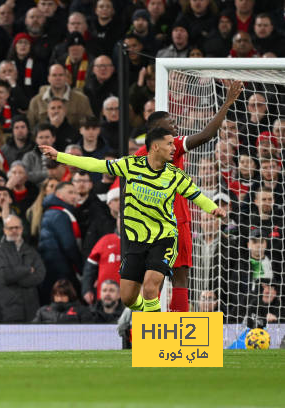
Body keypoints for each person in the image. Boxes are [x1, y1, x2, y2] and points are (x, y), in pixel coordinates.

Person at [39, 127, 225, 313]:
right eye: (169, 144)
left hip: (164, 238)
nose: (173, 148)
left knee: (151, 286)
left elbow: (196, 195)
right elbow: (95, 165)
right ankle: (149, 314)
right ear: (155, 147)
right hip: (137, 241)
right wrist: (60, 156)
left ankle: (155, 329)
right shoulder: (130, 165)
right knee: (128, 298)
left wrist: (213, 208)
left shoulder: (175, 175)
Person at [130, 80, 243, 312]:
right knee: (179, 278)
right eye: (170, 124)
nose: (176, 127)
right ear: (156, 131)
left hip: (149, 225)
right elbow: (206, 135)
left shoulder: (139, 156)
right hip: (176, 220)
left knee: (153, 281)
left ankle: (148, 331)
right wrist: (227, 103)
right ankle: (175, 329)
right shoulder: (174, 146)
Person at [0, 215, 45, 323]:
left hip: (32, 309)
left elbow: (40, 275)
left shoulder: (31, 251)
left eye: (17, 227)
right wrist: (27, 270)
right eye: (11, 228)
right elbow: (4, 276)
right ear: (5, 230)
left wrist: (15, 279)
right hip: (9, 309)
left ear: (22, 229)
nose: (14, 231)